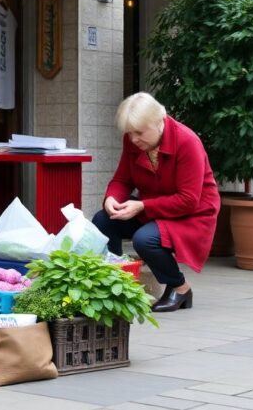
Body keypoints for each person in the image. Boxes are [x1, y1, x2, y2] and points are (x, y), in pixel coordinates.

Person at [92, 92, 219, 313]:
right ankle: (114, 282)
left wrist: (142, 206)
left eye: (139, 133)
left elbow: (189, 200)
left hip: (192, 213)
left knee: (145, 239)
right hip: (153, 207)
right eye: (129, 133)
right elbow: (122, 179)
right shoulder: (134, 141)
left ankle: (180, 288)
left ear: (159, 122)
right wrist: (112, 198)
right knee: (102, 220)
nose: (133, 140)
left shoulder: (187, 141)